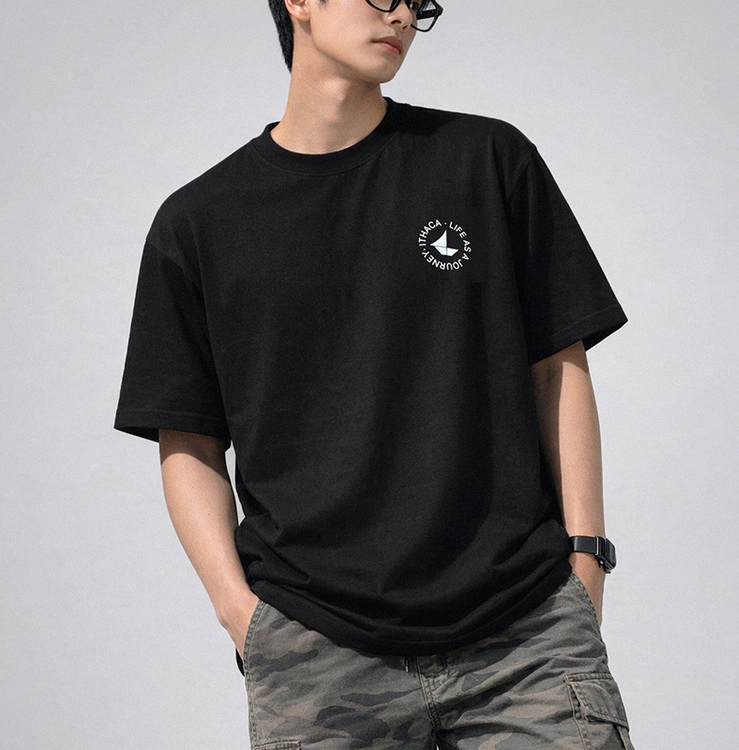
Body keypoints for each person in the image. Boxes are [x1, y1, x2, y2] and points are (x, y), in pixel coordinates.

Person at [116, 0, 635, 747]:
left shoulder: (486, 160)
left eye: (416, 3)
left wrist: (587, 561)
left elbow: (559, 370)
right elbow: (187, 441)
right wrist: (240, 612)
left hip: (525, 633)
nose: (402, 17)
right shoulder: (199, 222)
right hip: (317, 652)